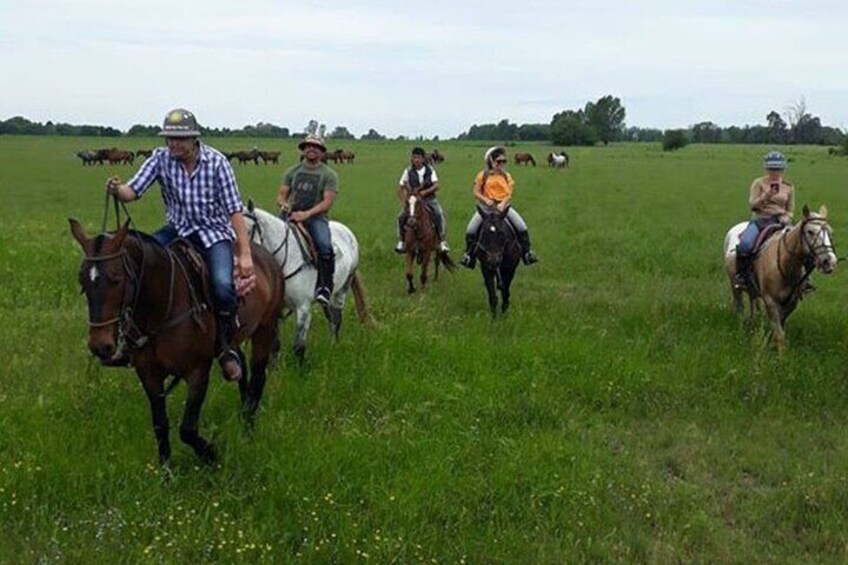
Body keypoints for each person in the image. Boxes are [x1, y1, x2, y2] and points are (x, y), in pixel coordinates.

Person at [105, 108, 254, 381]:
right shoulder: (160, 159)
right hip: (177, 229)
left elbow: (235, 211)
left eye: (179, 138)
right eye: (169, 138)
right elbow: (133, 191)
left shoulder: (218, 162)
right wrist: (118, 189)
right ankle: (129, 340)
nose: (173, 144)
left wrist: (244, 255)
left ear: (194, 138)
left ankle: (225, 346)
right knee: (136, 269)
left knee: (222, 285)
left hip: (214, 232)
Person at [276, 133, 339, 306]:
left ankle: (325, 287)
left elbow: (327, 202)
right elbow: (282, 195)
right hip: (291, 215)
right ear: (303, 150)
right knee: (268, 239)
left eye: (316, 147)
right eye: (308, 146)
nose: (311, 149)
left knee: (325, 247)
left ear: (322, 152)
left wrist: (307, 214)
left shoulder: (329, 174)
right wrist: (283, 205)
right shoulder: (292, 171)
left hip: (316, 218)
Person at [460, 146, 539, 269]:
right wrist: (486, 200)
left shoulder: (507, 176)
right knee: (471, 229)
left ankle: (527, 253)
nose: (501, 164)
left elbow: (509, 193)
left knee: (522, 227)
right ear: (491, 161)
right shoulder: (482, 175)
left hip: (503, 208)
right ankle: (469, 256)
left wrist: (503, 204)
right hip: (486, 209)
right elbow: (476, 192)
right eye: (498, 161)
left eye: (504, 161)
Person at [734, 150, 796, 290]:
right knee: (745, 244)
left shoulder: (789, 186)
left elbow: (790, 209)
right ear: (767, 168)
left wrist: (787, 217)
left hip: (780, 221)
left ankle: (804, 280)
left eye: (778, 169)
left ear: (783, 169)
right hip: (761, 220)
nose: (775, 172)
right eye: (772, 169)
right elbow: (752, 205)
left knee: (802, 244)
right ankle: (742, 276)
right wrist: (767, 195)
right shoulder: (759, 183)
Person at [395, 147, 450, 254]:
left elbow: (436, 185)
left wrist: (426, 192)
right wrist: (404, 201)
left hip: (429, 199)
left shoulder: (430, 170)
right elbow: (401, 186)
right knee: (401, 217)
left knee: (438, 214)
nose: (416, 160)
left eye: (419, 158)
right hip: (413, 200)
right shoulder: (408, 171)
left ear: (423, 159)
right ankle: (401, 241)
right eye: (414, 157)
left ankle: (442, 241)